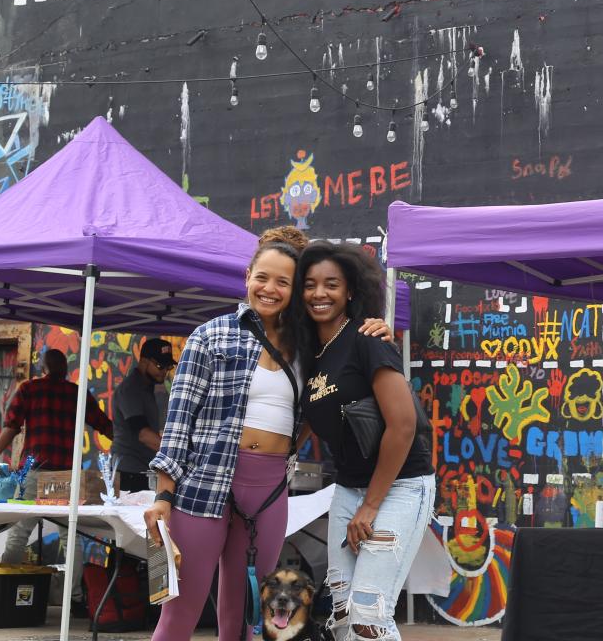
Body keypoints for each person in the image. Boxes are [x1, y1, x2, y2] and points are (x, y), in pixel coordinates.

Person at [144, 227, 394, 641]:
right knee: (180, 614)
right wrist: (163, 497)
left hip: (269, 491)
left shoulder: (312, 346)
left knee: (246, 617)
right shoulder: (211, 335)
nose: (270, 289)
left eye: (284, 282)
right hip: (203, 486)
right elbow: (178, 423)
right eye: (263, 277)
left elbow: (326, 396)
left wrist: (376, 328)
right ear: (247, 276)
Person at [291, 241, 433, 641]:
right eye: (310, 284)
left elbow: (403, 425)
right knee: (341, 614)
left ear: (350, 290)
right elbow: (310, 415)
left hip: (399, 486)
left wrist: (370, 506)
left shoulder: (367, 339)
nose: (320, 294)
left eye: (331, 284)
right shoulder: (310, 352)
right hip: (349, 489)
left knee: (369, 615)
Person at [0, 347, 115, 609]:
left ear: (42, 367)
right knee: (70, 535)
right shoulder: (76, 393)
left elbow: (10, 428)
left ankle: (6, 592)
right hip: (66, 473)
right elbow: (105, 426)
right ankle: (74, 597)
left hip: (35, 471)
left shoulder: (29, 389)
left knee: (19, 531)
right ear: (65, 370)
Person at [113, 337, 177, 493]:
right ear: (143, 361)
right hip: (129, 473)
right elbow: (143, 434)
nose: (164, 372)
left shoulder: (147, 387)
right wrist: (175, 452)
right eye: (160, 365)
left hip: (141, 469)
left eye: (168, 367)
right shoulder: (130, 389)